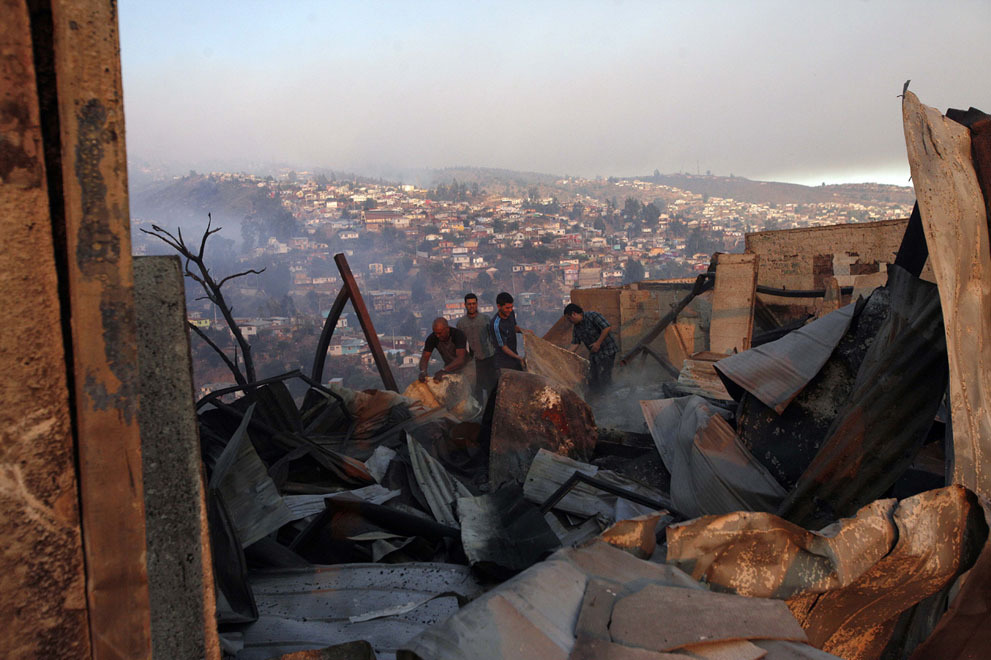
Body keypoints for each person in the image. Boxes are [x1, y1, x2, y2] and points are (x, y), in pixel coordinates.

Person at [565, 302, 618, 395]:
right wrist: (565, 355)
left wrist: (598, 343)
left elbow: (606, 328)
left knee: (605, 374)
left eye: (569, 319)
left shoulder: (593, 316)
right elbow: (575, 343)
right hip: (595, 354)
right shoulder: (577, 327)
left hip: (607, 350)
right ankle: (597, 397)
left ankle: (609, 397)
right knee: (593, 376)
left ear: (574, 314)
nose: (570, 321)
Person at [456, 292, 498, 401]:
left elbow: (493, 337)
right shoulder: (461, 323)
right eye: (469, 304)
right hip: (473, 361)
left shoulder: (485, 319)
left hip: (488, 357)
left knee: (491, 387)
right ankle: (478, 413)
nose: (472, 306)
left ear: (477, 304)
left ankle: (491, 412)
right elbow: (460, 343)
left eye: (474, 303)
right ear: (465, 305)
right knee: (476, 388)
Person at [418, 317, 468, 382]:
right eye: (435, 333)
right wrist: (423, 371)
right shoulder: (432, 338)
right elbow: (425, 357)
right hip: (449, 367)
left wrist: (443, 370)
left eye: (440, 333)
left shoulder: (458, 335)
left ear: (447, 329)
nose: (437, 336)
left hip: (466, 366)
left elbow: (461, 359)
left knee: (469, 384)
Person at [492, 291, 529, 372]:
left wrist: (525, 332)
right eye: (507, 308)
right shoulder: (496, 325)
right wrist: (519, 358)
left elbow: (514, 327)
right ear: (499, 306)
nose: (510, 310)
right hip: (503, 362)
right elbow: (504, 347)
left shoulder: (511, 313)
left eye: (511, 307)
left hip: (514, 355)